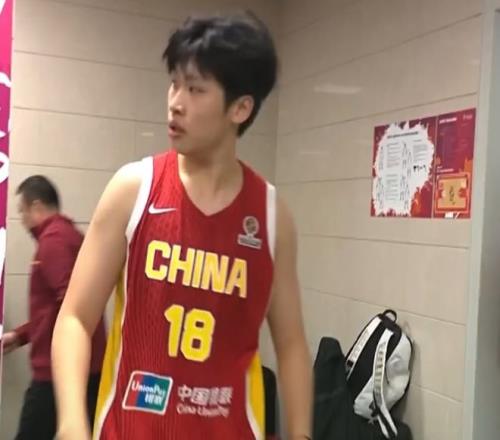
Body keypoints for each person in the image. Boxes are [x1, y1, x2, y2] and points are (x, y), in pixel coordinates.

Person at [52, 12, 312, 440]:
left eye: (195, 89)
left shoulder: (270, 215)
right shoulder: (134, 189)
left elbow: (291, 344)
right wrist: (70, 423)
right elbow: (76, 317)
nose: (175, 101)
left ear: (240, 107)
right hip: (129, 429)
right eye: (174, 83)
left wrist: (301, 434)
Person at [2, 175, 107, 440]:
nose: (22, 219)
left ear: (37, 206)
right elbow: (62, 306)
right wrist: (20, 336)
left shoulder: (54, 241)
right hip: (81, 368)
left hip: (57, 372)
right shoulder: (69, 236)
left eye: (23, 211)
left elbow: (71, 305)